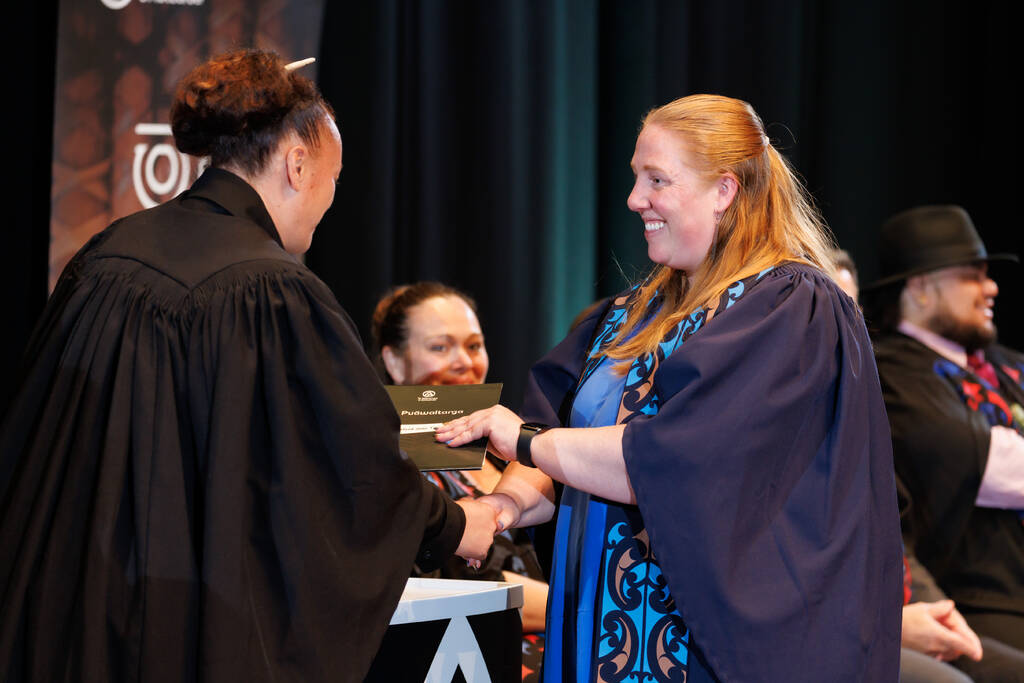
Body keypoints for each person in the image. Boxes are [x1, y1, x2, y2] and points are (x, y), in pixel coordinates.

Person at [0, 49, 497, 682]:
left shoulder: (107, 254)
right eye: (334, 177)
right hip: (180, 619)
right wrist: (454, 524)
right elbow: (350, 462)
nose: (330, 199)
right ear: (298, 165)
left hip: (68, 610)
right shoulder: (273, 291)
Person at [436, 94, 903, 681]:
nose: (635, 199)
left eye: (657, 179)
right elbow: (557, 430)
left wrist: (526, 442)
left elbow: (674, 460)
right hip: (594, 630)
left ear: (724, 190)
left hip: (701, 648)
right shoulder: (628, 314)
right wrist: (502, 505)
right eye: (636, 177)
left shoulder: (787, 309)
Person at [862, 205, 1024, 674]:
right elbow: (996, 466)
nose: (991, 288)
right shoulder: (892, 371)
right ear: (921, 288)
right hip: (976, 604)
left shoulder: (1005, 364)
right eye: (972, 276)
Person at [372, 281, 548, 681]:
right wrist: (576, 604)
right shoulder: (391, 460)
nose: (463, 361)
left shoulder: (506, 447)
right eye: (440, 347)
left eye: (473, 346)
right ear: (394, 362)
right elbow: (444, 581)